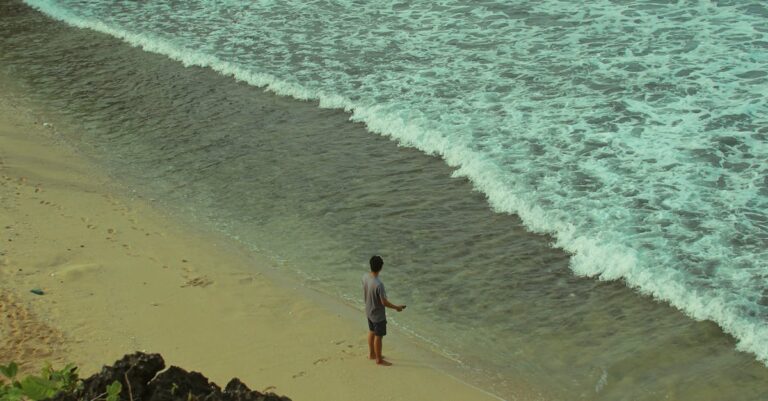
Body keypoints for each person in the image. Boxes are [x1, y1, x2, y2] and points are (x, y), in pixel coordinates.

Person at [362, 255, 406, 366]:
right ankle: (379, 359)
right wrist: (397, 307)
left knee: (371, 331)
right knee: (379, 336)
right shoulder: (379, 284)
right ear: (381, 267)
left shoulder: (365, 277)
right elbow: (384, 302)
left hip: (369, 311)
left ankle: (372, 354)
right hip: (378, 315)